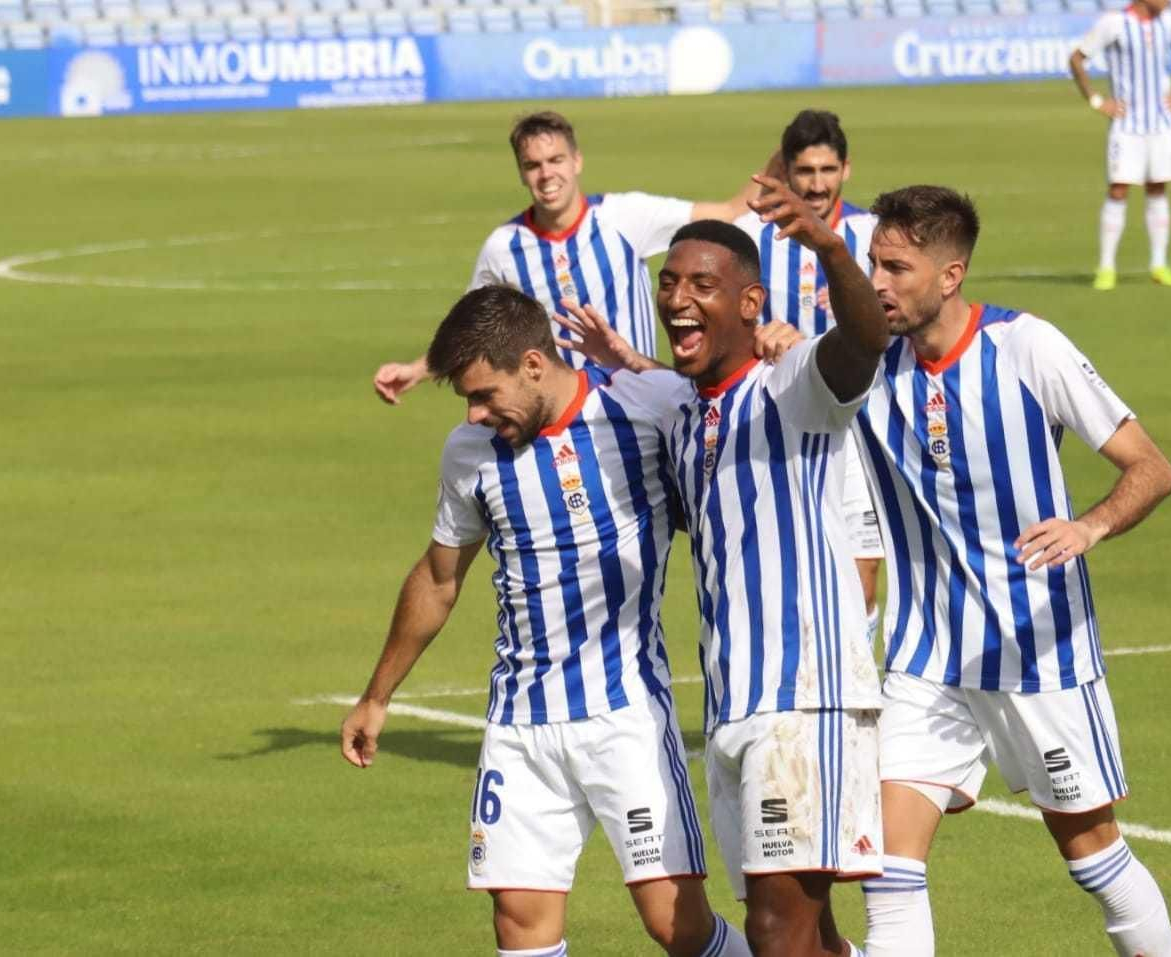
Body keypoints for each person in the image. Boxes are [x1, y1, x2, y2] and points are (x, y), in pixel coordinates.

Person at [339, 284, 753, 957]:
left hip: (627, 717)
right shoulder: (470, 452)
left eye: (483, 393)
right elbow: (440, 578)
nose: (475, 413)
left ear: (533, 364)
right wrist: (376, 696)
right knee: (520, 927)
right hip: (521, 725)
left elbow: (731, 412)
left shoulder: (640, 413)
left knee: (676, 925)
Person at [558, 178, 891, 957]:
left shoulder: (795, 386)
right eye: (668, 282)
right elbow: (676, 386)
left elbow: (867, 341)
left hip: (805, 698)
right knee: (815, 937)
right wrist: (622, 358)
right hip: (733, 703)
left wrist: (831, 248)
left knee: (777, 932)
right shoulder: (681, 410)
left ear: (751, 305)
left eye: (702, 284)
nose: (677, 295)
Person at [851, 186, 1171, 957]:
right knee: (887, 866)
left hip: (1041, 661)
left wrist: (1090, 524)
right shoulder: (867, 366)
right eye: (873, 263)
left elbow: (1151, 467)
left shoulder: (1028, 348)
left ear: (951, 273)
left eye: (897, 266)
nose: (878, 282)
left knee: (1093, 855)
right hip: (927, 661)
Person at [372, 110, 771, 403]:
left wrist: (787, 156)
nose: (546, 174)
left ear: (576, 161)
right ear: (521, 172)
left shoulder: (624, 216)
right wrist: (417, 371)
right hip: (561, 416)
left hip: (642, 403)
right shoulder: (504, 246)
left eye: (555, 160)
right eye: (533, 165)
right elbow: (472, 331)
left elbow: (728, 212)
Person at [734, 109, 886, 644]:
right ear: (786, 174)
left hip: (863, 431)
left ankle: (856, 701)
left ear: (846, 169)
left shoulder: (874, 237)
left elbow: (906, 323)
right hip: (778, 432)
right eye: (805, 172)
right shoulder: (748, 237)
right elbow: (726, 333)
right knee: (785, 576)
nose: (817, 185)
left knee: (863, 576)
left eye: (827, 170)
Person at [1069, 0, 1171, 291]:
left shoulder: (1169, 22)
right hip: (1127, 126)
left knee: (1158, 187)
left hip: (1161, 124)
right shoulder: (1113, 24)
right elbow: (1076, 58)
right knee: (1118, 189)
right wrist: (1097, 100)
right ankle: (1106, 267)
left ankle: (1159, 264)